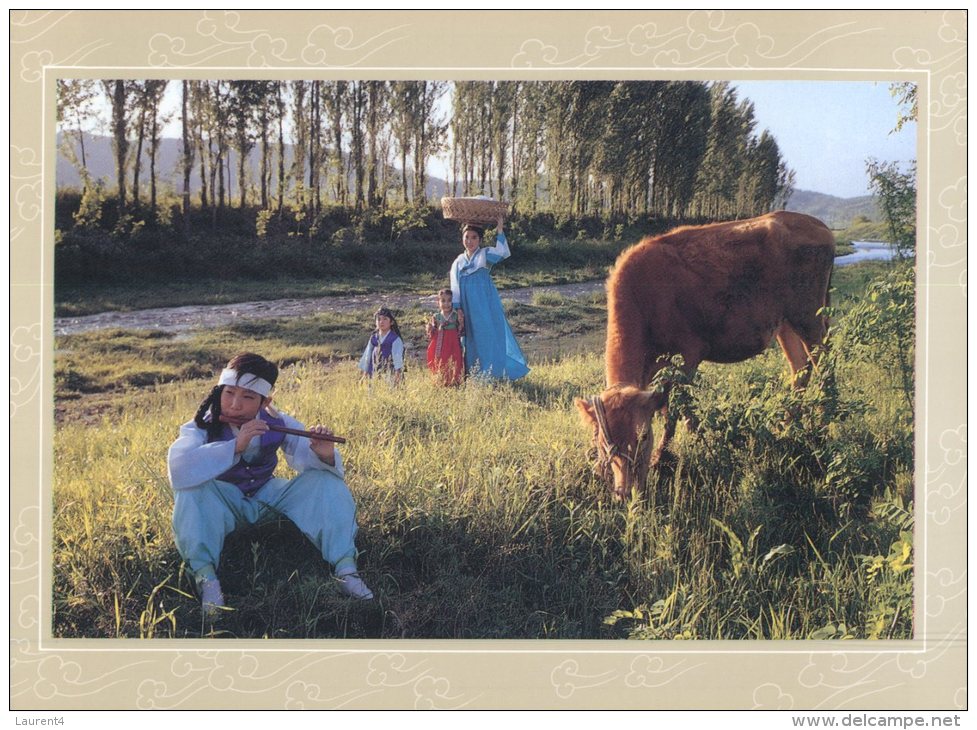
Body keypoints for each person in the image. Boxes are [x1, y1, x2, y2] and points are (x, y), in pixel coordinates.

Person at [167, 352, 373, 618]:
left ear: (266, 402)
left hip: (266, 497)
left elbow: (305, 457)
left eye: (248, 397)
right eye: (229, 393)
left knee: (326, 482)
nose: (235, 405)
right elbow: (179, 468)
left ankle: (346, 569)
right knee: (191, 490)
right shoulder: (201, 425)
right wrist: (234, 446)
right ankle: (207, 578)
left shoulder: (278, 422)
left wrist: (322, 453)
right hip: (223, 503)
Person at [449, 216, 529, 381]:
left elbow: (503, 252)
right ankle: (473, 374)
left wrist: (499, 230)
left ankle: (491, 374)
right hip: (466, 305)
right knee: (469, 338)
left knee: (487, 335)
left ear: (480, 240)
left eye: (474, 237)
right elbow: (454, 286)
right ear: (462, 238)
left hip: (485, 303)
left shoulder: (485, 255)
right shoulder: (458, 262)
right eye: (467, 237)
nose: (470, 241)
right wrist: (457, 309)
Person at [425, 288, 465, 386]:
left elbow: (461, 330)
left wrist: (461, 322)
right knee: (441, 361)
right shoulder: (436, 316)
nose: (446, 304)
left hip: (453, 343)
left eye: (449, 301)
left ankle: (455, 382)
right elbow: (432, 333)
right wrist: (430, 328)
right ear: (438, 302)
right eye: (443, 301)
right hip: (441, 343)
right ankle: (441, 381)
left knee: (455, 360)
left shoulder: (456, 315)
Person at [358, 306, 405, 385]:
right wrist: (364, 375)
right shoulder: (374, 338)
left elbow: (398, 359)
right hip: (374, 374)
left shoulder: (395, 339)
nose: (381, 322)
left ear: (392, 322)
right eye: (379, 319)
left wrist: (398, 375)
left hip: (390, 374)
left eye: (385, 319)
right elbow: (367, 356)